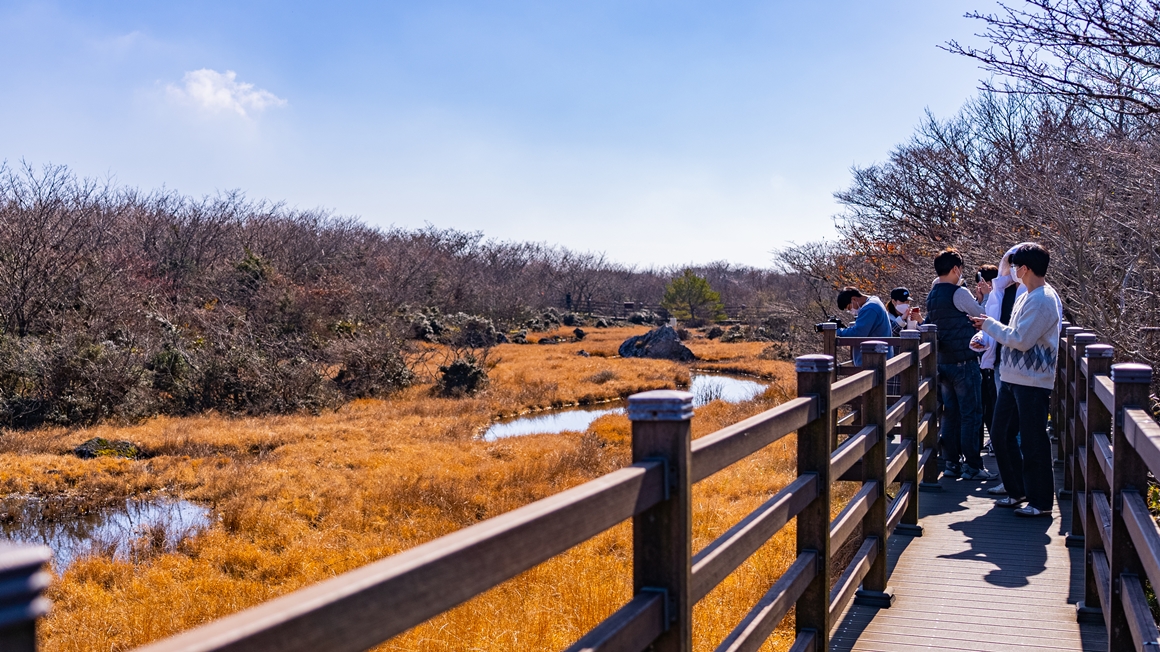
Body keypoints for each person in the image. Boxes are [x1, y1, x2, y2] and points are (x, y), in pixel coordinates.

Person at [970, 243, 1062, 517]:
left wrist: (988, 324)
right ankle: (1017, 490)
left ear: (1024, 268)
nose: (1010, 271)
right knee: (1000, 434)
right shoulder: (1027, 296)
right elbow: (1013, 332)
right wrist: (989, 327)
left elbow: (1020, 339)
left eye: (1014, 266)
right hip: (1013, 376)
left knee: (1033, 440)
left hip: (1033, 380)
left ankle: (1041, 501)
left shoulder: (1044, 299)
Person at [924, 248, 996, 481]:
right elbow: (981, 316)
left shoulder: (932, 295)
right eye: (961, 270)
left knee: (950, 414)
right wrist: (984, 301)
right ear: (956, 269)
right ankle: (973, 466)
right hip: (964, 362)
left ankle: (951, 463)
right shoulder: (959, 292)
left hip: (943, 361)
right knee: (971, 414)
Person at [835, 287, 893, 366]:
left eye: (849, 308)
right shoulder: (874, 301)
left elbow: (857, 333)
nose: (851, 311)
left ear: (854, 299)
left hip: (874, 362)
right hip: (877, 358)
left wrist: (837, 332)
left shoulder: (870, 308)